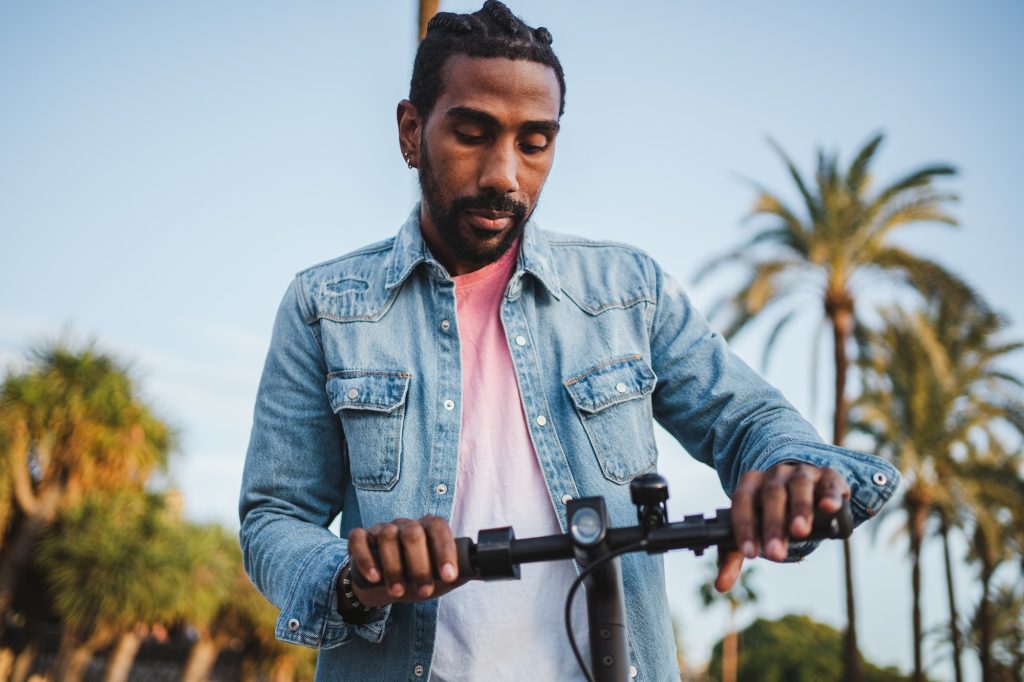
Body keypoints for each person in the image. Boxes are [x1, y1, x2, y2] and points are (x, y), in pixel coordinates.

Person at [238, 2, 900, 680]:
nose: (504, 174)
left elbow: (747, 421)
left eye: (534, 142)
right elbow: (273, 519)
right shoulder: (324, 307)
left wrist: (790, 471)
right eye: (471, 133)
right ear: (411, 132)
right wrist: (356, 576)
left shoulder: (627, 292)